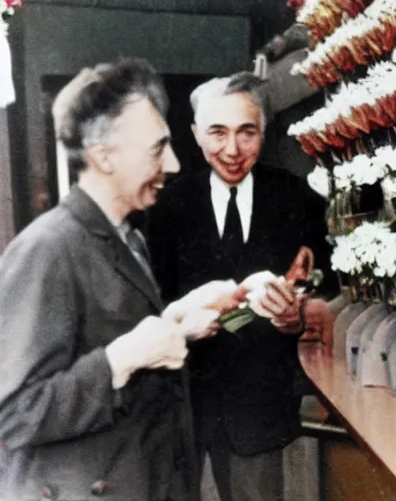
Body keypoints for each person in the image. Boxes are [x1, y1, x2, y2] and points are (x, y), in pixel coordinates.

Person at [0, 58, 240, 501]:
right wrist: (117, 361)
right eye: (156, 148)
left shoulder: (126, 238)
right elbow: (12, 412)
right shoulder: (48, 249)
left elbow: (108, 338)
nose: (171, 164)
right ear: (103, 155)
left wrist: (176, 323)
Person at [147, 72, 336, 501]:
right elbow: (150, 305)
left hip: (258, 403)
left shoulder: (297, 198)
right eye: (217, 133)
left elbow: (324, 280)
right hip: (183, 404)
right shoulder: (165, 206)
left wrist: (298, 315)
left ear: (263, 134)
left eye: (246, 133)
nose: (232, 150)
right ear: (196, 135)